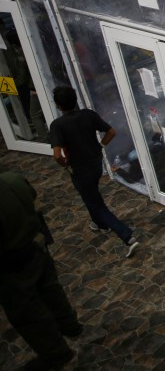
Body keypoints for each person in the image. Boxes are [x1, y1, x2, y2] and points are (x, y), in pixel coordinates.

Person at [0, 170, 82, 370]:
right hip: (37, 246)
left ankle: (58, 355)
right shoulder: (12, 180)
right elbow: (32, 195)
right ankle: (70, 324)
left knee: (28, 312)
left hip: (12, 264)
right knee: (51, 288)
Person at [48, 86, 139, 258]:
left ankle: (127, 236)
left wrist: (65, 164)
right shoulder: (88, 114)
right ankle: (99, 224)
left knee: (96, 204)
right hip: (96, 163)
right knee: (90, 196)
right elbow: (111, 132)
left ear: (58, 105)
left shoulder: (57, 125)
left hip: (80, 169)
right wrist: (100, 146)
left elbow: (56, 155)